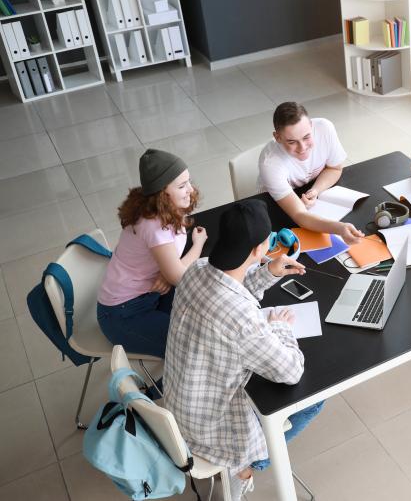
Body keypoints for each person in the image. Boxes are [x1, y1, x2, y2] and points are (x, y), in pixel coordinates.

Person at [164, 199, 324, 500]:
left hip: (178, 406)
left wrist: (269, 273)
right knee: (315, 400)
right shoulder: (243, 321)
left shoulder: (197, 269)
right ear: (257, 250)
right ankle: (246, 467)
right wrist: (280, 328)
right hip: (210, 432)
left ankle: (243, 466)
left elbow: (228, 284)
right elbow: (291, 371)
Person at [97, 149, 206, 358]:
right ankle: (160, 391)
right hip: (123, 314)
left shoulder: (158, 207)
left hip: (149, 294)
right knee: (192, 350)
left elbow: (172, 270)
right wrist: (197, 246)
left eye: (188, 181)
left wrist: (168, 272)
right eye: (182, 186)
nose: (190, 189)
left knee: (205, 313)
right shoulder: (155, 226)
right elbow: (179, 277)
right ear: (162, 194)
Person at [258, 101, 364, 244]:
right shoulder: (270, 163)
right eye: (291, 142)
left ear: (311, 126)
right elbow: (299, 214)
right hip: (275, 205)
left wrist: (315, 190)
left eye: (306, 137)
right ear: (277, 137)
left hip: (307, 191)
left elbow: (334, 168)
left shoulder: (325, 128)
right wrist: (340, 228)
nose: (302, 148)